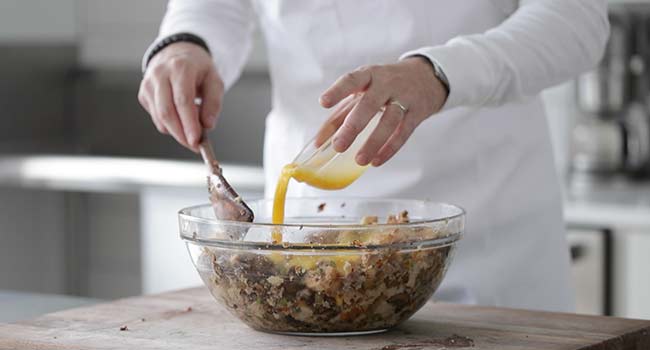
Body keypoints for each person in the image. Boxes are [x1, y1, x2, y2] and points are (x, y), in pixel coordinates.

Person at [139, 1, 609, 312]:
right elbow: (212, 7)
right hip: (304, 250)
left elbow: (577, 19)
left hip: (492, 250)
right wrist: (184, 41)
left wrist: (438, 74)